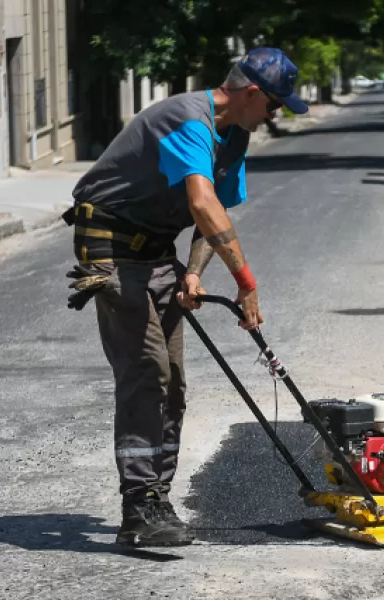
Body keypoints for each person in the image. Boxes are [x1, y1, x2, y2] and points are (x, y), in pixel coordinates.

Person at [60, 47, 309, 547]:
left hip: (155, 253)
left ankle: (157, 499)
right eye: (274, 105)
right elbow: (199, 201)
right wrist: (246, 282)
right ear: (251, 93)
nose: (273, 117)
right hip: (108, 246)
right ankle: (138, 509)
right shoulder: (187, 119)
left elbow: (210, 211)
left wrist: (194, 273)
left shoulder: (234, 134)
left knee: (172, 382)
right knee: (146, 370)